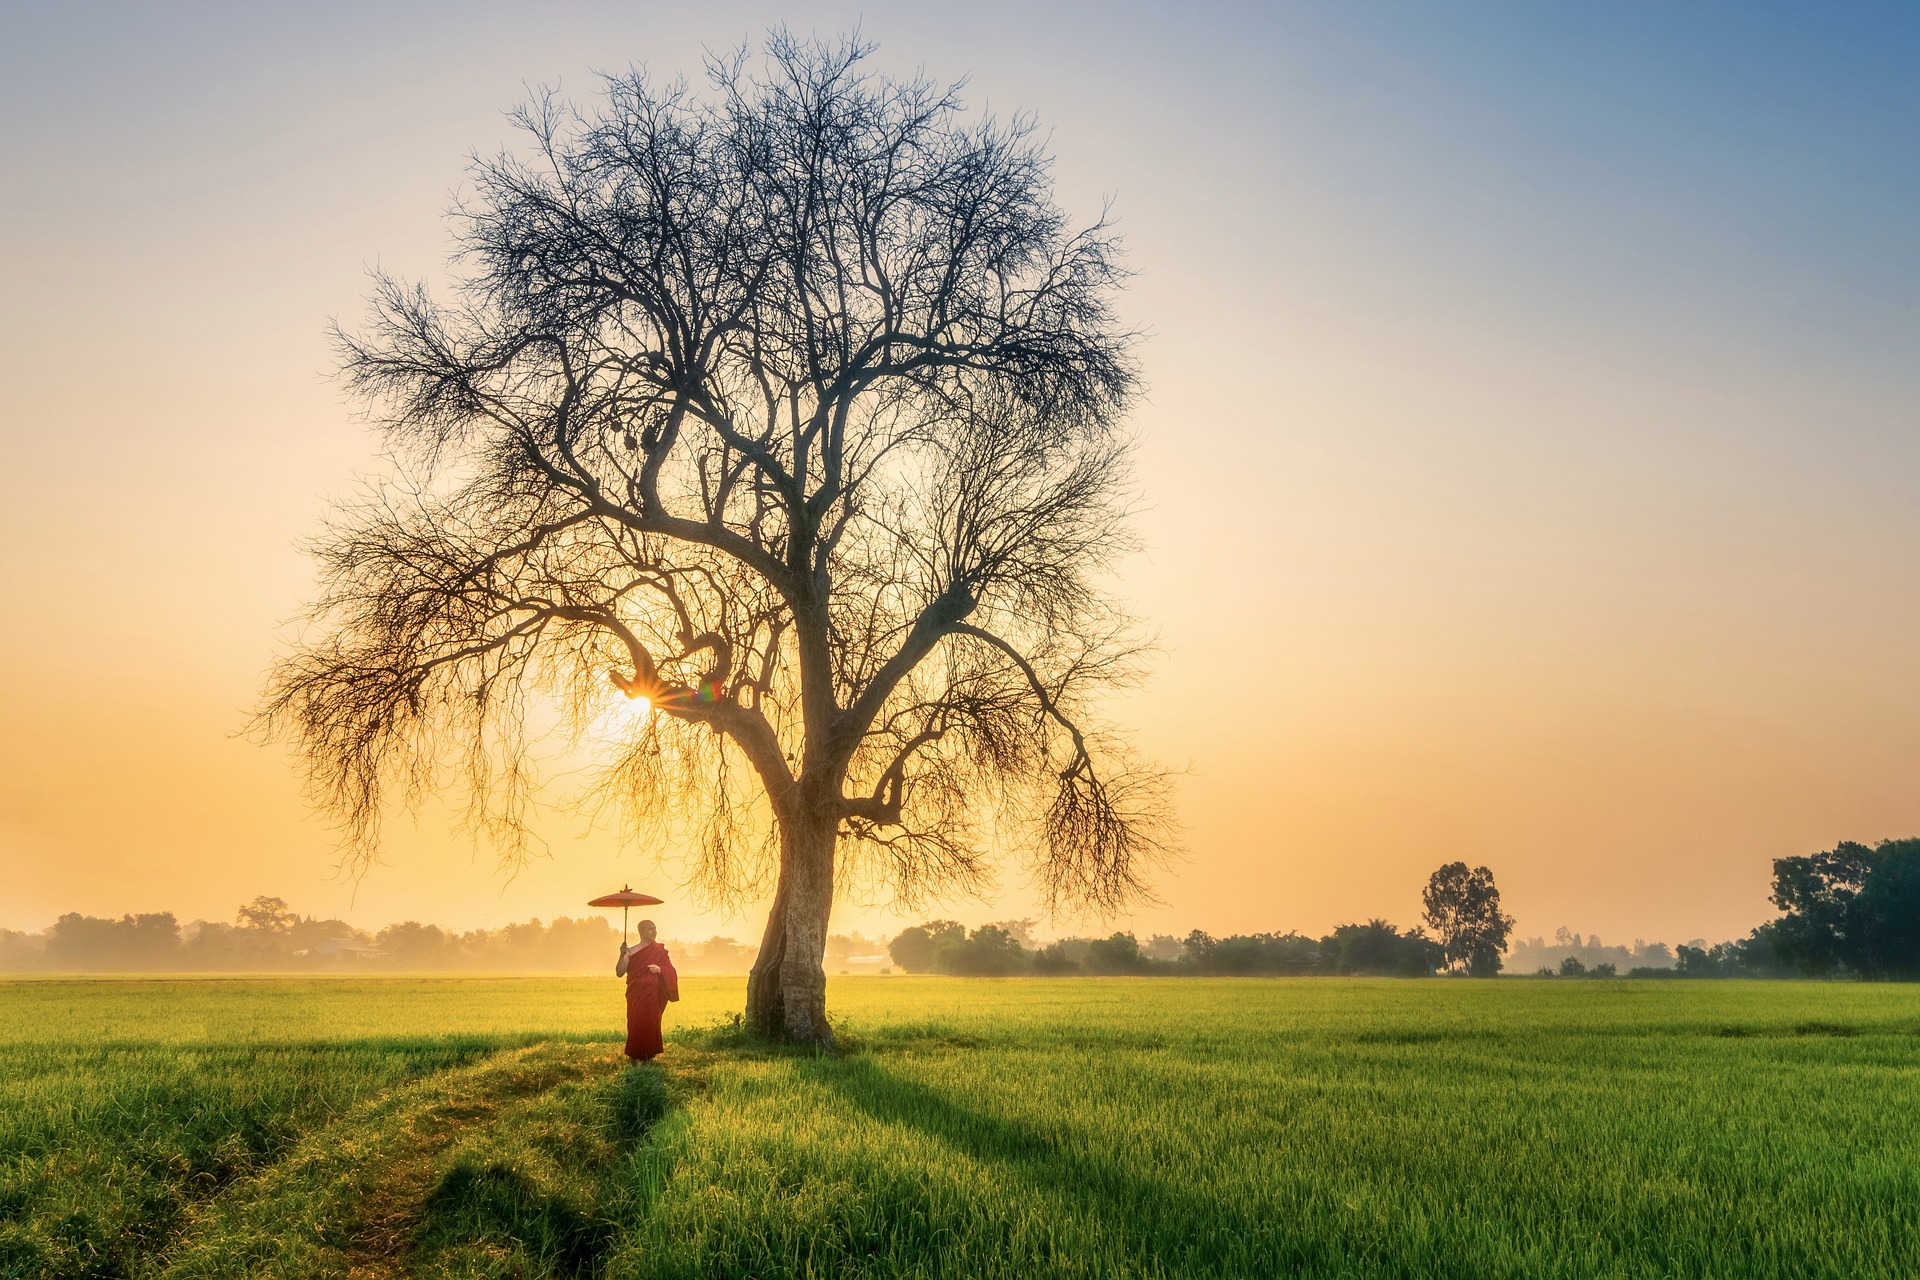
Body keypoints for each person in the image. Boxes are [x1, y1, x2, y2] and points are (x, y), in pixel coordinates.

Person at [614, 919, 679, 1062]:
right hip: (635, 994)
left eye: (655, 928)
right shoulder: (631, 951)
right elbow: (619, 972)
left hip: (652, 995)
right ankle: (633, 1056)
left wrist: (660, 969)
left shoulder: (659, 951)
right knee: (635, 1024)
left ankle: (647, 1058)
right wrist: (622, 954)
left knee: (649, 1024)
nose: (654, 931)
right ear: (641, 931)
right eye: (650, 929)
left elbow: (671, 971)